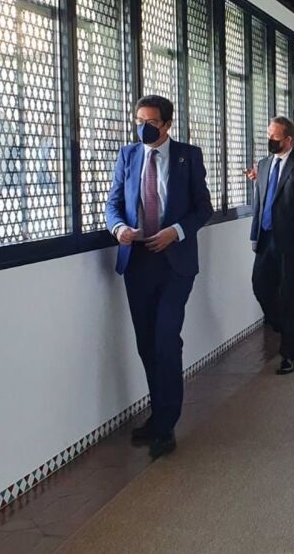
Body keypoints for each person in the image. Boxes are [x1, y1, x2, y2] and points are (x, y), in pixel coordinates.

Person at [106, 95, 213, 459]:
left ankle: (166, 425)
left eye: (150, 122)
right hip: (137, 261)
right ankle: (157, 415)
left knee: (166, 339)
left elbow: (203, 208)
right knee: (147, 344)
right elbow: (113, 203)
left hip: (175, 263)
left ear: (167, 124)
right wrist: (119, 228)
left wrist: (176, 232)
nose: (143, 127)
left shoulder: (188, 156)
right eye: (139, 121)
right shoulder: (128, 155)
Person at [250, 117, 294, 375]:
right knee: (260, 286)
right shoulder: (263, 165)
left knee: (290, 295)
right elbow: (259, 202)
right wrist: (254, 234)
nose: (270, 140)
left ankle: (289, 353)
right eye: (268, 135)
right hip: (266, 238)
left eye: (275, 137)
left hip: (292, 243)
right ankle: (286, 327)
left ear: (288, 139)